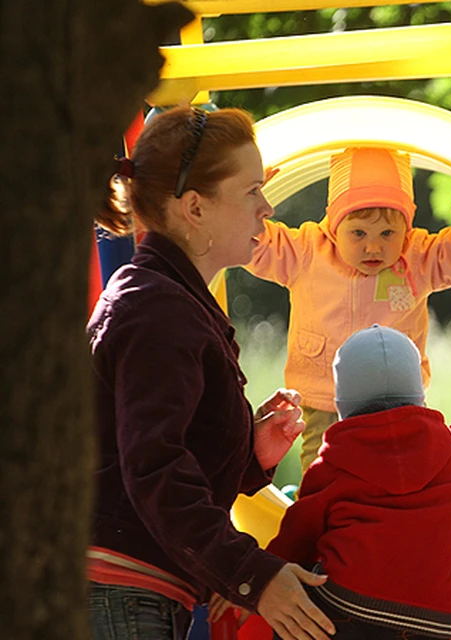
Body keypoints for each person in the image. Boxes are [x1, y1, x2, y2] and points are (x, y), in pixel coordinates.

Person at [88, 105, 336, 640]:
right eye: (251, 191)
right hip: (117, 599)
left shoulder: (168, 299)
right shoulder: (156, 309)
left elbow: (154, 447)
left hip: (131, 597)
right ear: (195, 208)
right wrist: (256, 579)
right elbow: (154, 470)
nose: (267, 207)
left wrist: (249, 455)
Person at [263, 324, 451, 639]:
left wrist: (262, 578)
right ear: (418, 395)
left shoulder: (332, 465)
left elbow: (299, 533)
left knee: (292, 609)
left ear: (342, 405)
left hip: (345, 604)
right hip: (429, 619)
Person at [245, 147, 451, 477]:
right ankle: (323, 522)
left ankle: (393, 521)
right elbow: (253, 245)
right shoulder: (306, 250)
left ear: (405, 230)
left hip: (396, 396)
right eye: (359, 233)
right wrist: (248, 201)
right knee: (322, 466)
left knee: (399, 469)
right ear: (335, 227)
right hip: (326, 395)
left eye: (388, 234)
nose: (374, 247)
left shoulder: (417, 257)